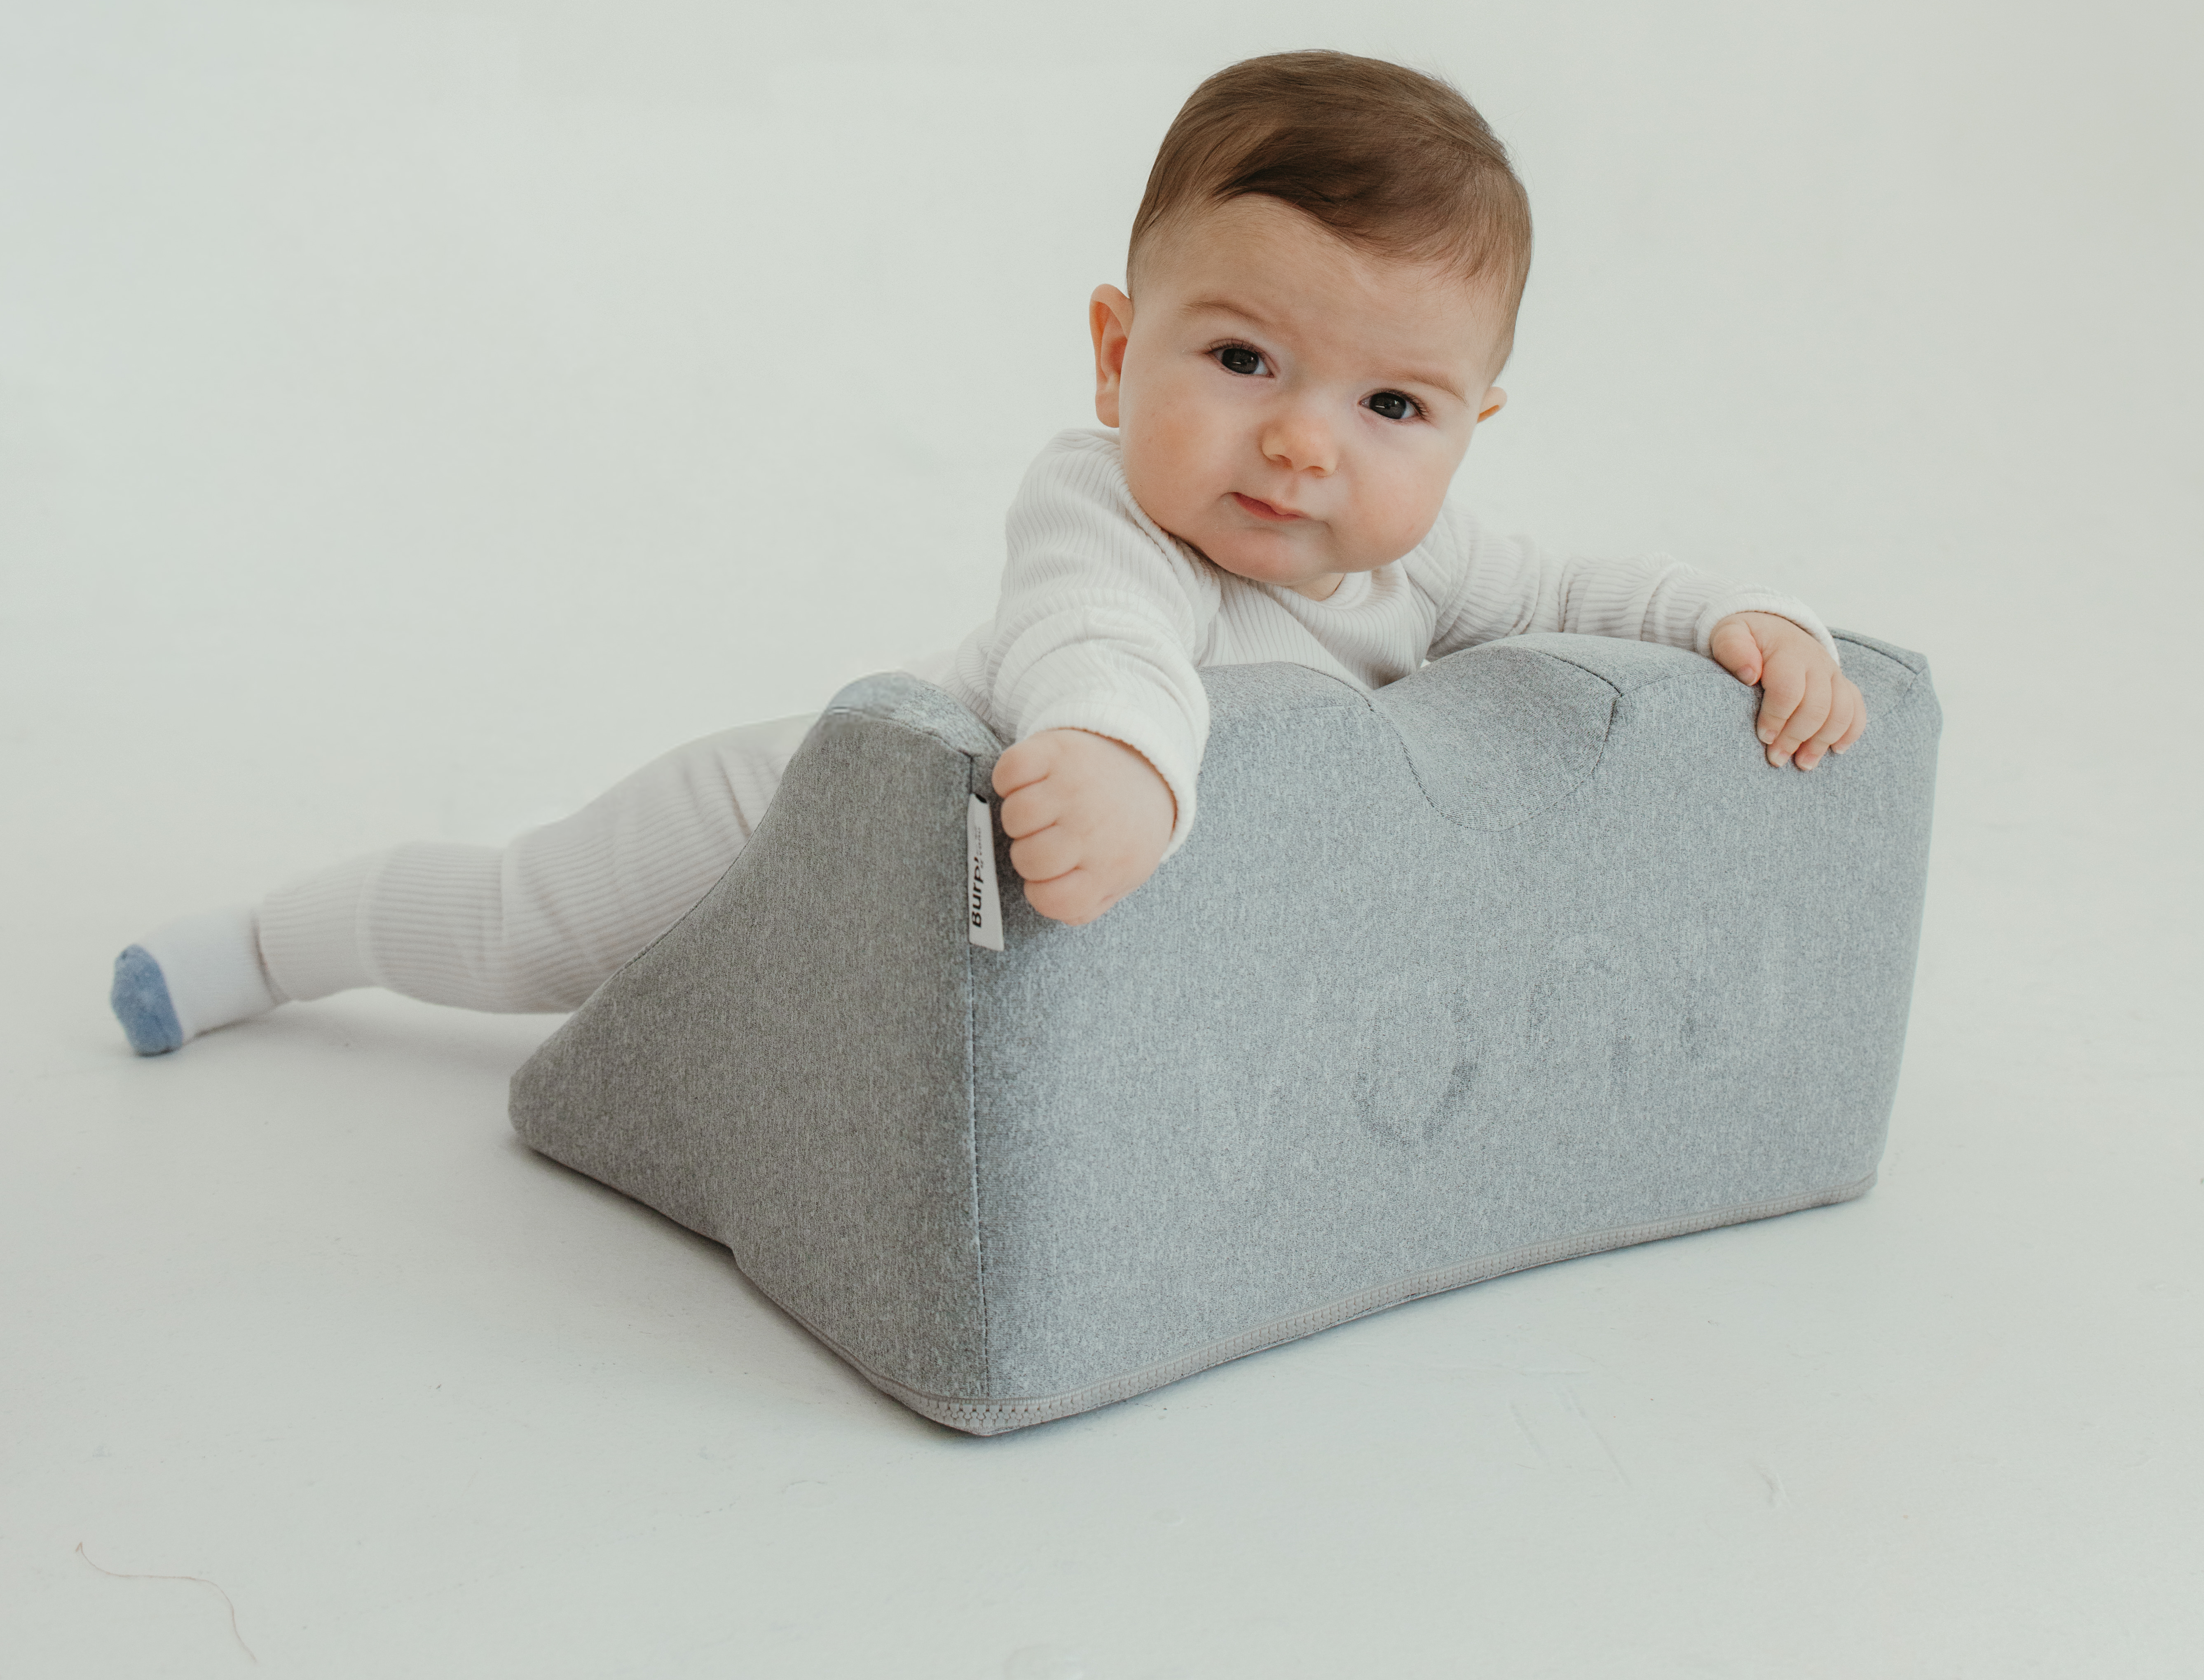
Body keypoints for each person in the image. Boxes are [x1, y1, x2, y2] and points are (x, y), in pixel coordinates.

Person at [109, 51, 1865, 1054]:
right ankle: (275, 945)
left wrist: (1743, 622)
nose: (1305, 440)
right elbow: (1094, 650)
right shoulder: (1102, 504)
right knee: (535, 929)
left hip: (1005, 932)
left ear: (1475, 426)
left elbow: (1577, 597)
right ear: (1120, 352)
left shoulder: (1423, 563)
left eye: (1393, 402)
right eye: (1242, 359)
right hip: (814, 814)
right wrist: (1127, 769)